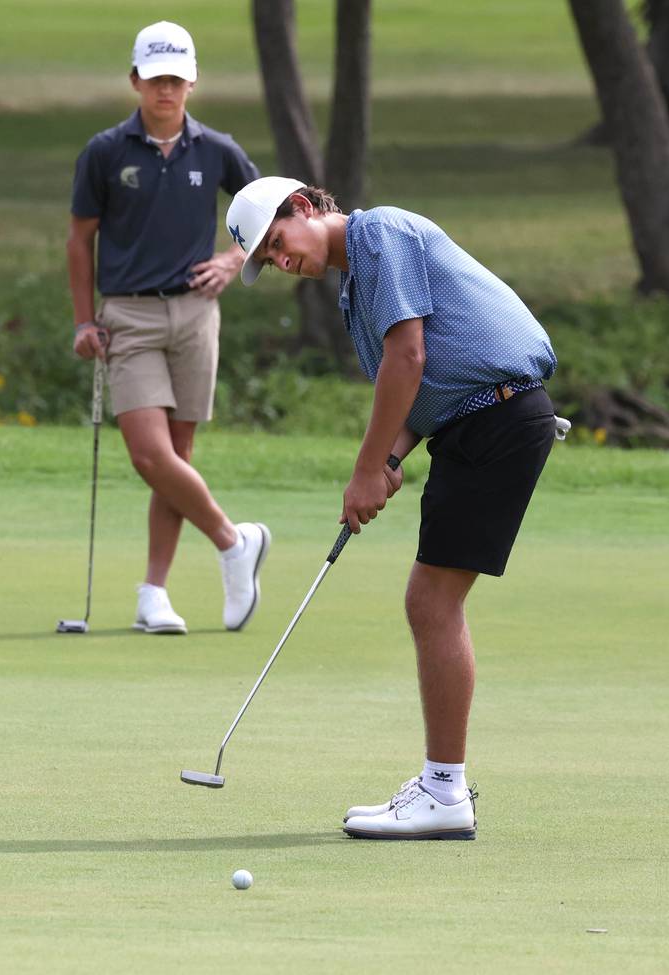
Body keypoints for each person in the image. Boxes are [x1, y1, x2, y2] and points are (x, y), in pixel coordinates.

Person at [225, 176, 559, 840]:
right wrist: (387, 460)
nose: (280, 260)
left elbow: (407, 358)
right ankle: (442, 786)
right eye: (267, 259)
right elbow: (416, 390)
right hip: (474, 422)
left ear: (301, 208)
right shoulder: (355, 289)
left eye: (276, 243)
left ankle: (444, 791)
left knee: (431, 601)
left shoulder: (381, 234)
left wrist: (364, 467)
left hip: (498, 417)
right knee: (430, 600)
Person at [67, 22, 270, 636]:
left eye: (177, 79)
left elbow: (270, 212)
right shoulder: (105, 152)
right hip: (126, 315)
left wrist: (234, 259)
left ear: (192, 82)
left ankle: (154, 594)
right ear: (135, 80)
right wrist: (82, 319)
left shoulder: (216, 150)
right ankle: (235, 541)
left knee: (178, 457)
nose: (166, 90)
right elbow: (80, 241)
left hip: (195, 313)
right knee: (151, 456)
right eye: (156, 79)